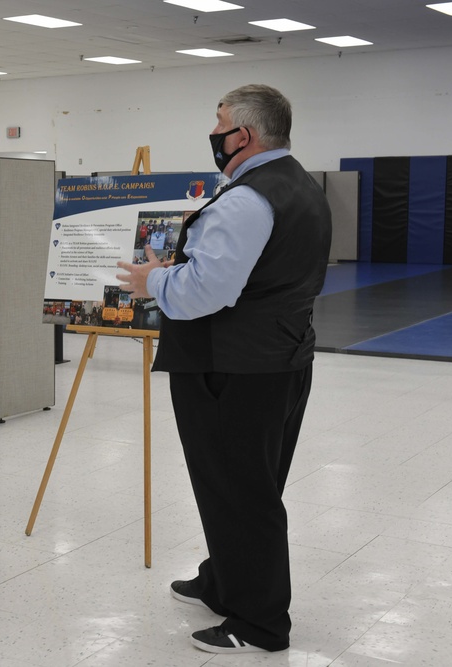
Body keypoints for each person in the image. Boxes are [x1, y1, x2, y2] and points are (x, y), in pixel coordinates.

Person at [116, 84, 331, 654]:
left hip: (231, 371)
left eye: (219, 122)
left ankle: (259, 623)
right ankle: (224, 579)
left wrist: (151, 281)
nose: (213, 132)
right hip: (279, 360)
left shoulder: (246, 200)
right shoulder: (300, 186)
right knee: (247, 485)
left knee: (240, 493)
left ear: (245, 135)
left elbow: (203, 294)